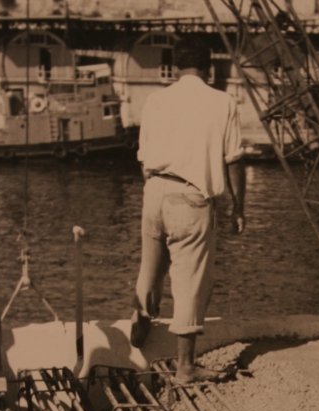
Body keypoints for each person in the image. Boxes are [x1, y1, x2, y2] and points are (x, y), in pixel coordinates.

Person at [132, 34, 246, 384]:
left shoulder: (155, 100)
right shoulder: (223, 102)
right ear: (209, 67)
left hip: (155, 190)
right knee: (190, 282)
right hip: (192, 197)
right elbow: (234, 160)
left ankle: (140, 327)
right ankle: (186, 366)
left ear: (176, 65)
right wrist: (238, 207)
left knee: (150, 267)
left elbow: (143, 156)